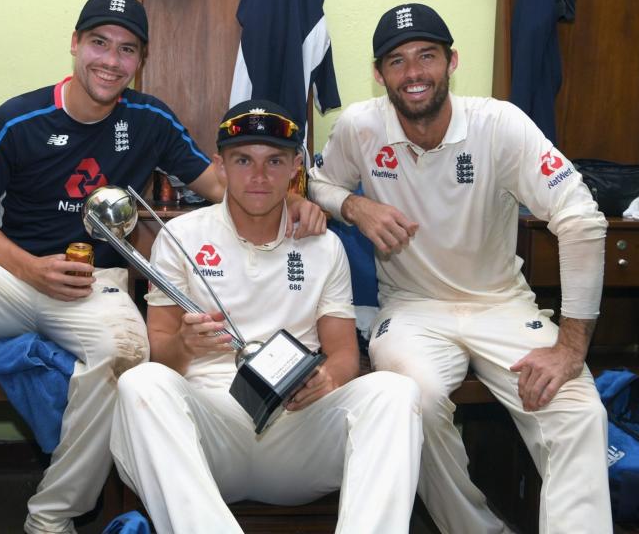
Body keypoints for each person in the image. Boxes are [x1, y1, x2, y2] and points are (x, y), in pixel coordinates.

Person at [0, 0, 323, 534]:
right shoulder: (20, 118)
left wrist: (295, 197)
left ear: (141, 62)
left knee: (128, 351)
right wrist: (26, 267)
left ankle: (53, 515)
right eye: (99, 43)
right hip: (12, 275)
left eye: (127, 50)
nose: (111, 61)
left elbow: (223, 183)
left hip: (98, 286)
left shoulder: (150, 119)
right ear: (75, 44)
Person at [307, 3, 612, 534]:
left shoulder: (500, 124)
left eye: (427, 56)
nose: (414, 73)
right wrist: (356, 206)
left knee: (579, 412)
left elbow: (582, 219)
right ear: (379, 75)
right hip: (411, 308)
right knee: (412, 402)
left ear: (452, 62)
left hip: (500, 302)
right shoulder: (361, 126)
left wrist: (572, 345)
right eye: (397, 62)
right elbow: (317, 183)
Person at [109, 100, 424, 534]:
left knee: (395, 391)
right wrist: (184, 345)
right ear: (220, 165)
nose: (259, 176)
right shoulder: (180, 237)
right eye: (243, 160)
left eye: (275, 161)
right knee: (139, 383)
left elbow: (344, 356)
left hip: (298, 428)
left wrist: (327, 380)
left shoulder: (323, 245)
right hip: (208, 437)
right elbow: (159, 354)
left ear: (296, 167)